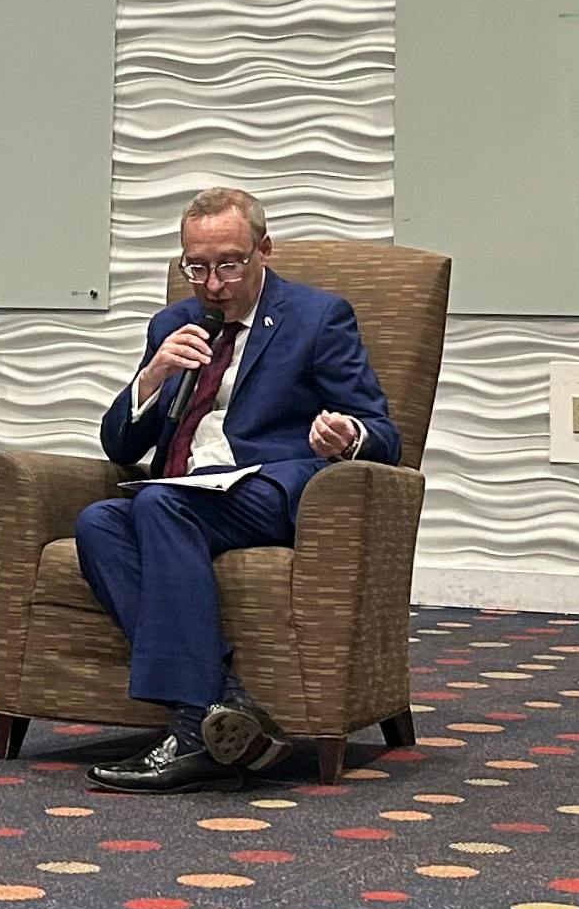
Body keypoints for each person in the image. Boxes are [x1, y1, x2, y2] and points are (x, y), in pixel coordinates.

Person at [75, 186, 400, 793]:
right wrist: (153, 376)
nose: (213, 284)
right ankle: (224, 704)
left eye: (229, 264)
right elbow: (119, 445)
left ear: (263, 251)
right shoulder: (173, 324)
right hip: (182, 492)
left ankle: (192, 728)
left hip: (267, 489)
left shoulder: (317, 318)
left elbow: (384, 432)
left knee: (159, 503)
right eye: (196, 267)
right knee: (97, 521)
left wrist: (346, 434)